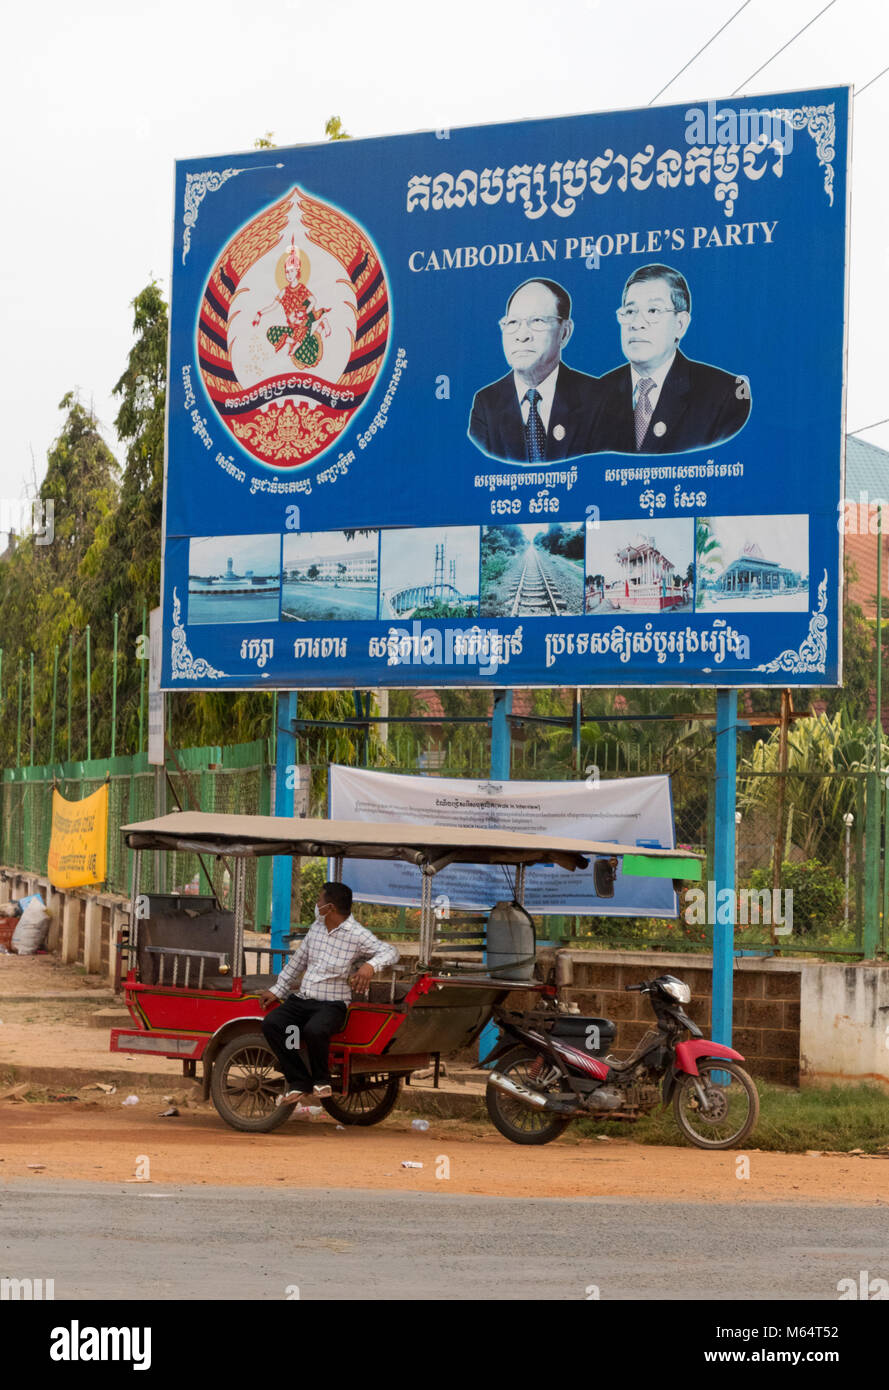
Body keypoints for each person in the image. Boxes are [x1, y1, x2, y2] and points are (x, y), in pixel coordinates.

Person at [260, 880, 399, 1105]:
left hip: (332, 1003)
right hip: (303, 999)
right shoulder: (316, 928)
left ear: (330, 907)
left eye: (319, 900)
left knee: (314, 1030)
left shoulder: (356, 934)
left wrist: (370, 966)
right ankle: (298, 1081)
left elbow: (391, 951)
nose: (316, 904)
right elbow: (298, 961)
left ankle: (321, 1080)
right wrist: (277, 989)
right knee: (273, 1024)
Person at [590, 265, 750, 454]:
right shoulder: (597, 393)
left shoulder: (724, 393)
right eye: (630, 311)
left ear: (680, 324)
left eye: (653, 311)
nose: (636, 324)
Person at [468, 278, 600, 463]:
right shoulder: (487, 404)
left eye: (537, 321)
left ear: (565, 332)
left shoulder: (598, 397)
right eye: (512, 322)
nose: (522, 336)